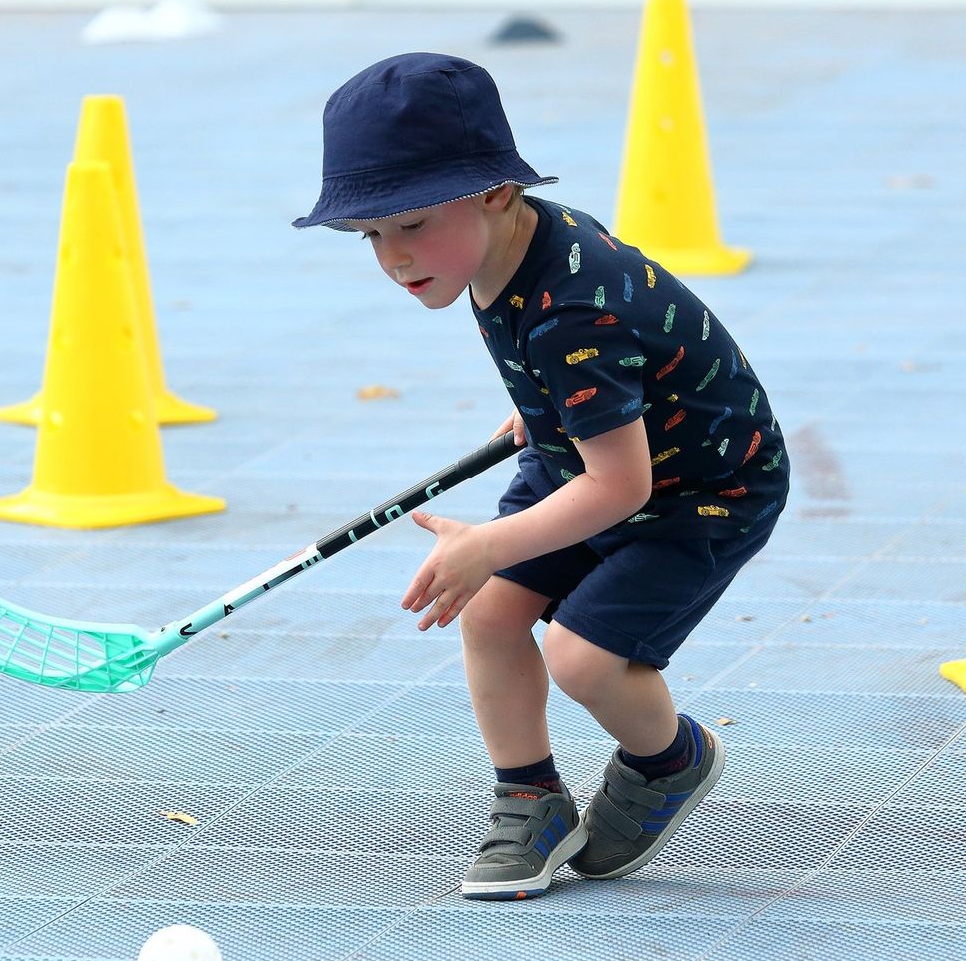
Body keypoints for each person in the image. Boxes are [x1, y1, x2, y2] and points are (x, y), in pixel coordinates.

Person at [294, 52, 789, 899]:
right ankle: (532, 798)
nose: (392, 257)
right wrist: (558, 403)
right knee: (490, 616)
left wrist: (488, 541)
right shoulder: (508, 245)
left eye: (409, 224)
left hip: (701, 491)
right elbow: (594, 364)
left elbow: (621, 488)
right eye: (369, 234)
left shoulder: (571, 311)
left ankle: (669, 761)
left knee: (583, 656)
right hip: (592, 451)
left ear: (493, 191)